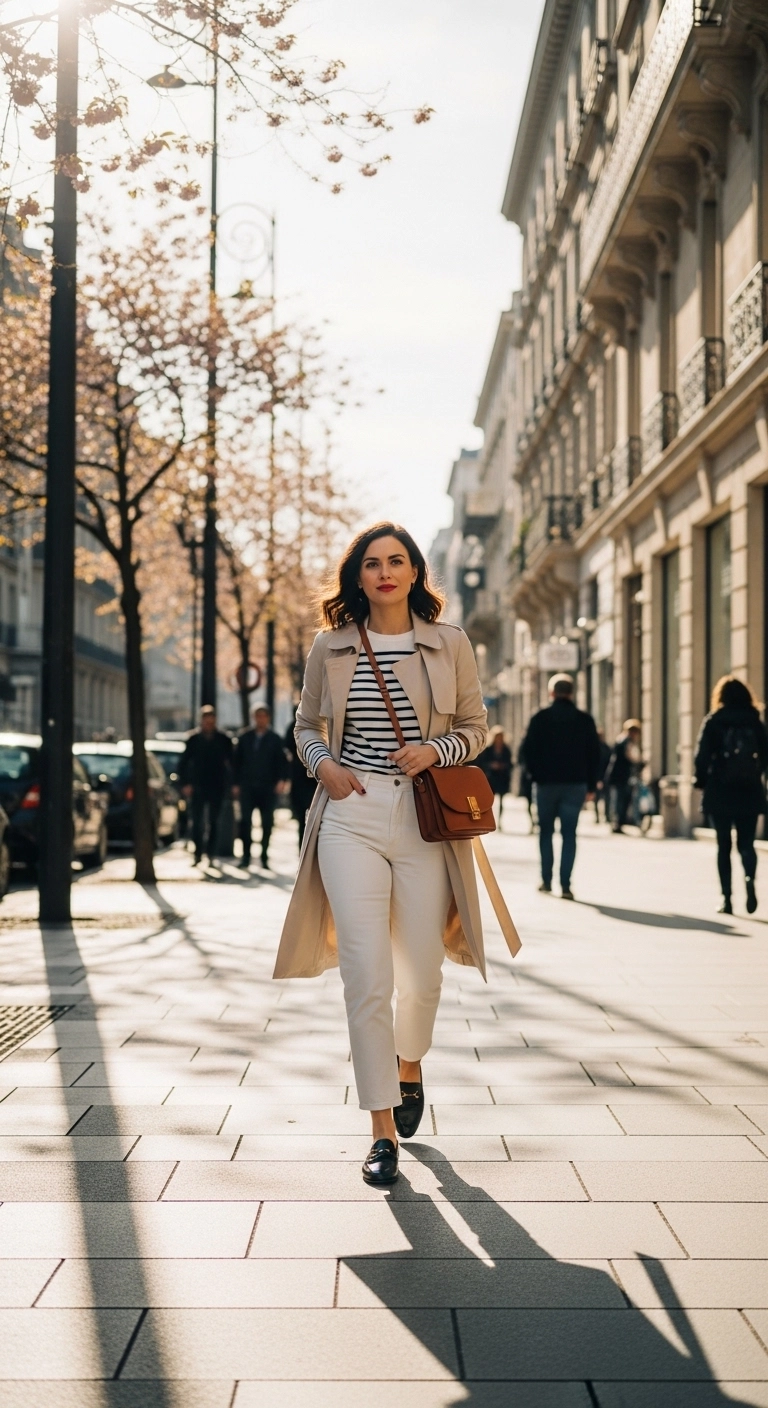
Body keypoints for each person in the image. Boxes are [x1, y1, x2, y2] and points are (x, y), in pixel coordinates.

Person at [273, 521, 496, 1189]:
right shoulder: (331, 645)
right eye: (372, 563)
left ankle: (409, 1064)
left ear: (415, 571)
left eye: (397, 561)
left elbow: (475, 728)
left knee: (421, 974)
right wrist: (324, 767)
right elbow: (306, 725)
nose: (385, 572)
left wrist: (436, 750)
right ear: (358, 576)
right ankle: (380, 1131)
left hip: (424, 818)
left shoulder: (448, 642)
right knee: (365, 975)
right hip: (350, 818)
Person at [520, 673, 600, 900]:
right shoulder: (585, 720)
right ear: (572, 694)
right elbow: (594, 754)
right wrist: (591, 785)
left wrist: (534, 775)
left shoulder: (540, 718)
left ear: (551, 693)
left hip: (545, 785)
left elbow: (527, 752)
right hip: (575, 785)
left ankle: (546, 880)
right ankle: (565, 885)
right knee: (569, 834)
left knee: (545, 832)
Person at [694, 675, 768, 915]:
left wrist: (701, 780)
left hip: (720, 790)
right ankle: (749, 879)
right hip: (749, 790)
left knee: (723, 845)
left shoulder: (715, 720)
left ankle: (726, 898)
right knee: (747, 843)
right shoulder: (754, 721)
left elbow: (702, 755)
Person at [233, 705, 289, 870]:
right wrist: (235, 784)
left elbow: (282, 762)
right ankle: (246, 857)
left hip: (268, 788)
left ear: (268, 718)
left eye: (263, 716)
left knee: (266, 823)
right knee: (245, 822)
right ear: (253, 718)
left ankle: (264, 856)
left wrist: (282, 781)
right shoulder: (244, 738)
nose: (260, 720)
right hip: (247, 787)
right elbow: (236, 762)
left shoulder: (275, 739)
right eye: (258, 716)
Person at [180, 706, 234, 865]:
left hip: (217, 785)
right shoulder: (193, 739)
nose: (208, 724)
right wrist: (186, 783)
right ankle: (197, 853)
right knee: (196, 822)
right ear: (201, 721)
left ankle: (210, 853)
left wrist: (230, 784)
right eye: (206, 721)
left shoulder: (224, 739)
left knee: (214, 822)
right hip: (197, 785)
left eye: (211, 721)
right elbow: (184, 763)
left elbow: (231, 763)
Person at [284, 713, 317, 852]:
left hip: (315, 780)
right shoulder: (294, 727)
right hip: (300, 779)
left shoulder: (318, 724)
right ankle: (303, 851)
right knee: (302, 820)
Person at [605, 719, 642, 832]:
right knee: (620, 799)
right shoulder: (625, 741)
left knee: (619, 799)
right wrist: (638, 761)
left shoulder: (621, 739)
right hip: (621, 775)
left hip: (619, 775)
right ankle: (618, 822)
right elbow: (629, 756)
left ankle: (618, 821)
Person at [477, 726, 513, 826]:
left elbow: (510, 763)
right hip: (491, 777)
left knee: (501, 801)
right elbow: (482, 763)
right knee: (489, 800)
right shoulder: (488, 749)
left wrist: (502, 766)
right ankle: (488, 818)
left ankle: (499, 820)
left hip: (502, 778)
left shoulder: (506, 749)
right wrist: (491, 765)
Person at [594, 727, 612, 822]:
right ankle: (604, 816)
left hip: (602, 776)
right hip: (602, 776)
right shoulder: (603, 747)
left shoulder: (604, 747)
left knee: (602, 797)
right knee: (603, 797)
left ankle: (604, 816)